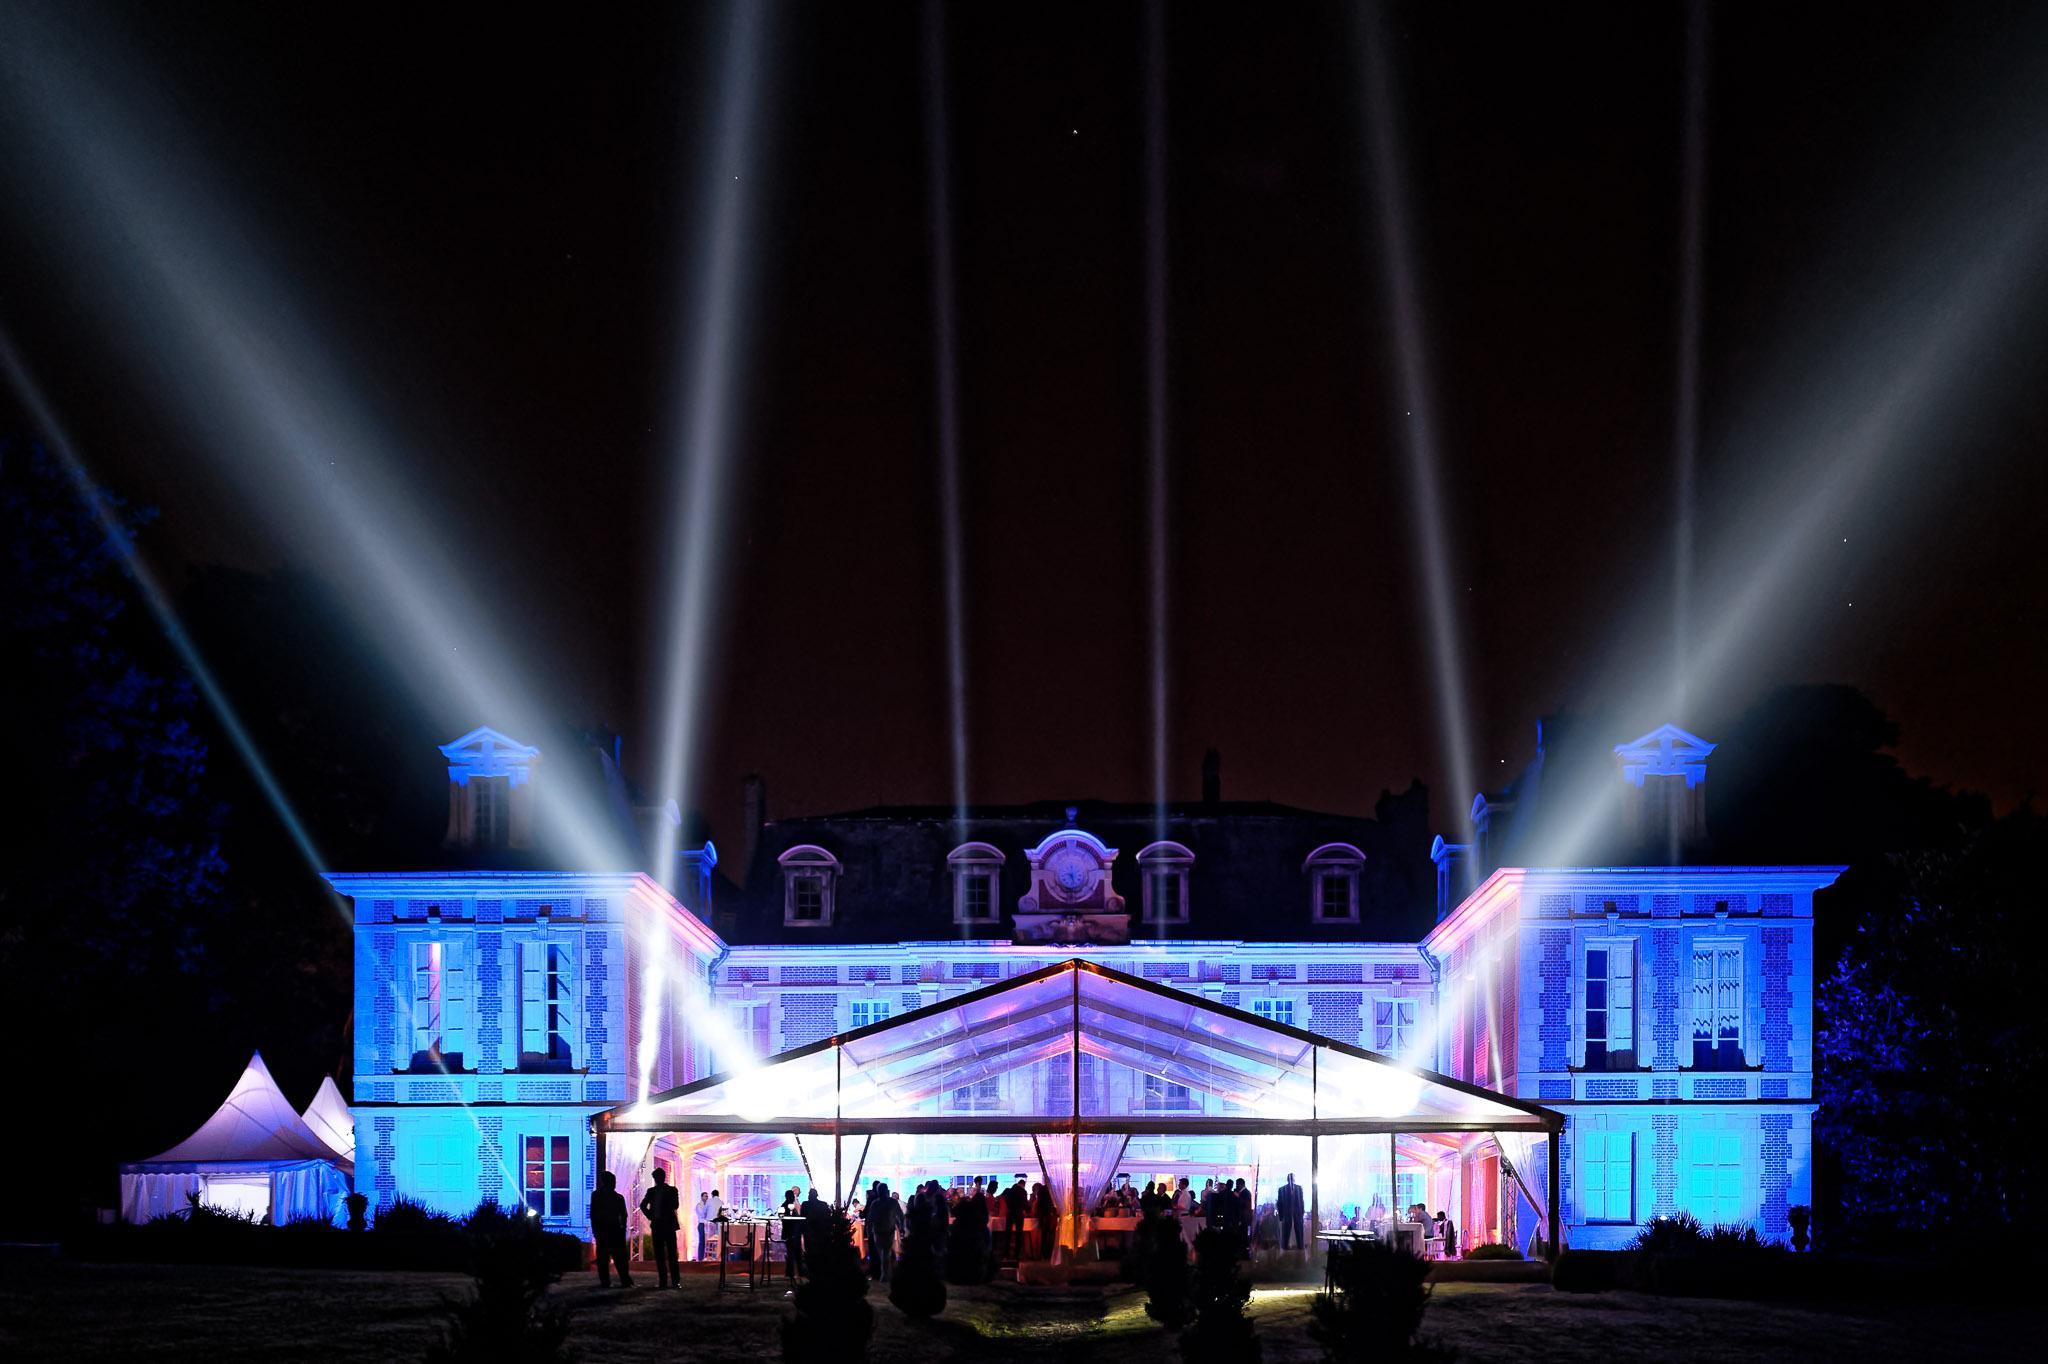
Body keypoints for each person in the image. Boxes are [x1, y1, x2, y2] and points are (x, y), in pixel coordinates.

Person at [639, 1166, 681, 1289]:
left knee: (671, 1254)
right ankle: (666, 1281)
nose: (658, 1179)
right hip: (659, 1224)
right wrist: (650, 1216)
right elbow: (642, 1205)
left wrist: (652, 1215)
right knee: (660, 1255)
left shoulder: (672, 1190)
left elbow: (675, 1205)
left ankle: (674, 1281)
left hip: (666, 1225)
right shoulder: (652, 1191)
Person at [591, 1171, 633, 1288]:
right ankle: (622, 1279)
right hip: (611, 1230)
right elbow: (623, 1215)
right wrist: (622, 1228)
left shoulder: (599, 1196)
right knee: (616, 1257)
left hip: (608, 1230)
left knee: (608, 1257)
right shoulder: (616, 1197)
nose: (614, 1184)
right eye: (613, 1182)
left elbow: (594, 1214)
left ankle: (613, 1280)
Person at [1276, 1172, 1305, 1253]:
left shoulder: (1299, 1188)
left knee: (1299, 1230)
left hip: (1297, 1214)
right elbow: (1280, 1203)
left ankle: (1300, 1246)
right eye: (1290, 1178)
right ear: (1287, 1179)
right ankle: (1285, 1246)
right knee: (1285, 1230)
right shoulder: (1282, 1189)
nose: (1291, 1180)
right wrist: (1281, 1216)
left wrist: (1302, 1213)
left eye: (1292, 1178)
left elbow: (1301, 1202)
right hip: (1286, 1214)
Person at [1002, 1176, 1029, 1261]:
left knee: (1008, 1234)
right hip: (1019, 1214)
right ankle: (1016, 1255)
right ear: (1023, 1184)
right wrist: (1026, 1210)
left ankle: (1006, 1254)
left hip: (1010, 1213)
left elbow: (1006, 1200)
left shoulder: (1010, 1191)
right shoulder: (1023, 1192)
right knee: (1018, 1234)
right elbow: (1025, 1203)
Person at [780, 1186, 804, 1280]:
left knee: (791, 1252)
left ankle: (790, 1272)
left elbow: (781, 1218)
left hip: (789, 1232)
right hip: (793, 1231)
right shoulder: (790, 1207)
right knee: (796, 1252)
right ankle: (798, 1271)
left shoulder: (783, 1206)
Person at [1033, 1180, 1055, 1261]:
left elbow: (1039, 1204)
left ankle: (1044, 1254)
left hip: (1043, 1215)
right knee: (1049, 1234)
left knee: (1044, 1235)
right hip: (1048, 1215)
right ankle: (1049, 1253)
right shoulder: (1051, 1190)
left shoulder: (1042, 1190)